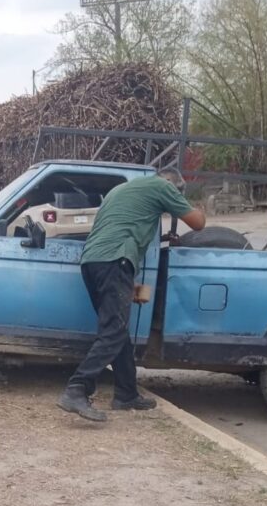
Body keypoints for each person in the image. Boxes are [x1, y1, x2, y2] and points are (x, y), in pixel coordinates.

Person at [58, 168, 206, 422]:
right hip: (115, 261)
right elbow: (198, 223)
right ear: (171, 184)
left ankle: (126, 394)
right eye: (177, 192)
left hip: (93, 262)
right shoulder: (163, 186)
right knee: (114, 331)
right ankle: (77, 389)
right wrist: (197, 206)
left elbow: (125, 226)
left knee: (118, 330)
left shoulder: (120, 190)